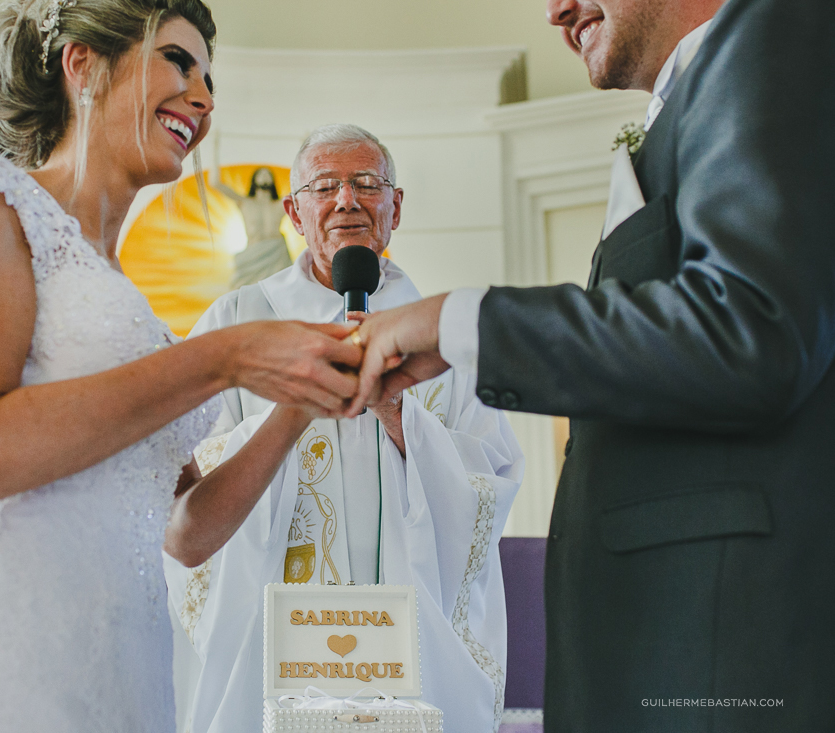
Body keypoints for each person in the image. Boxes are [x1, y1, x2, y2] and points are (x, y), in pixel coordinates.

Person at [0, 2, 363, 731]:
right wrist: (225, 357)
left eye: (210, 81)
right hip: (8, 667)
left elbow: (187, 531)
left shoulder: (135, 308)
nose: (203, 97)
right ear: (84, 65)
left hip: (126, 678)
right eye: (179, 61)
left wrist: (300, 404)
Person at [350, 0, 835, 730]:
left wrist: (460, 321)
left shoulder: (772, 32)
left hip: (725, 651)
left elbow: (749, 327)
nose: (557, 11)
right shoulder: (698, 95)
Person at [163, 124, 525, 733]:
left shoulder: (442, 332)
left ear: (396, 207)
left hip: (413, 622)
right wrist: (296, 404)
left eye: (366, 184)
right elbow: (183, 477)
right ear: (294, 213)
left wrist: (398, 411)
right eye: (325, 186)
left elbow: (489, 478)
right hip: (270, 619)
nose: (347, 201)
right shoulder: (236, 320)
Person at [210, 166, 295, 287]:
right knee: (241, 292)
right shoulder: (245, 203)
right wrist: (214, 153)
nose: (265, 176)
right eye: (261, 173)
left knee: (280, 289)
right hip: (252, 255)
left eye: (268, 174)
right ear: (255, 179)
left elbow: (300, 190)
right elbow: (215, 183)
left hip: (276, 254)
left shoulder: (280, 204)